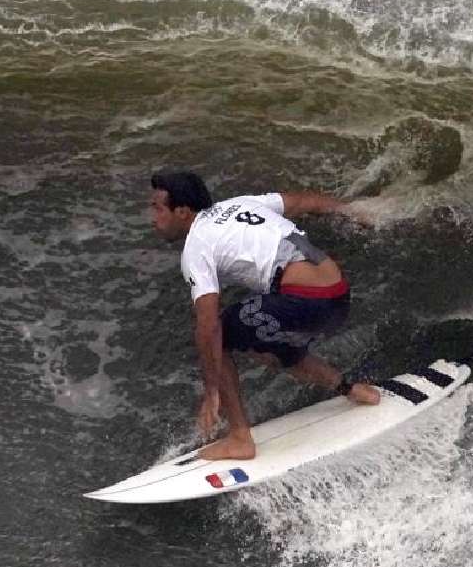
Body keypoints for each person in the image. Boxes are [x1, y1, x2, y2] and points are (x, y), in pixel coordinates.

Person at [149, 171, 381, 461]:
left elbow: (208, 326)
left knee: (219, 336)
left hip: (308, 300)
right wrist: (352, 212)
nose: (152, 217)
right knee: (269, 348)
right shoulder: (241, 204)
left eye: (158, 208)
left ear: (182, 211)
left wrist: (211, 392)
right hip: (338, 295)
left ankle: (240, 439)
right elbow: (303, 201)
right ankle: (352, 389)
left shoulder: (196, 246)